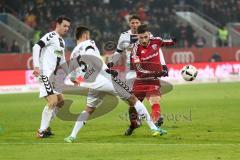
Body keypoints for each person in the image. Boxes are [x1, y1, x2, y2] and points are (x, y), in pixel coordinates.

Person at [64, 26, 167, 143]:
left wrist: (73, 79)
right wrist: (106, 69)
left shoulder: (73, 53)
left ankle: (72, 136)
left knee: (88, 109)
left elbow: (71, 71)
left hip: (91, 83)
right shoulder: (89, 43)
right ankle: (154, 129)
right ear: (86, 35)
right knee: (134, 99)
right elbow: (94, 56)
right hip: (104, 78)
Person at [128, 24, 176, 135]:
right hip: (140, 81)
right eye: (141, 38)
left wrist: (174, 40)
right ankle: (133, 124)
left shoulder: (156, 41)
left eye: (145, 37)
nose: (144, 40)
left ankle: (156, 122)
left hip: (153, 80)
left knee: (155, 101)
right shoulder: (135, 49)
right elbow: (138, 69)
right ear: (138, 37)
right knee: (133, 107)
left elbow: (167, 42)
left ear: (149, 35)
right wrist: (157, 72)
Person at [32, 16, 71, 138]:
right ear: (57, 24)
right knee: (53, 101)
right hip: (45, 74)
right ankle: (41, 131)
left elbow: (63, 60)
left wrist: (71, 75)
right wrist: (36, 66)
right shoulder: (51, 36)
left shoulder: (62, 41)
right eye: (64, 26)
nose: (67, 28)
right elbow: (36, 47)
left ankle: (46, 127)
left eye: (68, 27)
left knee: (61, 102)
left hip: (53, 77)